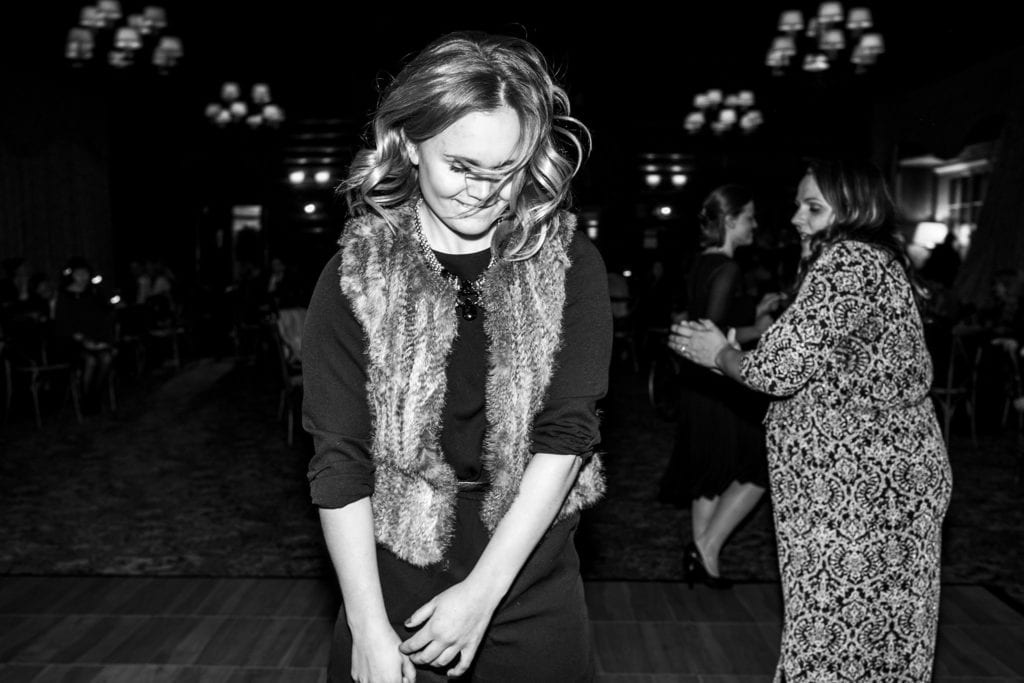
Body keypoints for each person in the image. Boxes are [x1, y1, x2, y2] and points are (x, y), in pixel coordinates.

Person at [302, 31, 611, 683]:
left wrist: (481, 595)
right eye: (461, 166)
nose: (482, 193)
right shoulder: (355, 274)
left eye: (505, 173)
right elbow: (338, 461)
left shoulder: (569, 264)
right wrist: (367, 625)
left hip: (529, 574)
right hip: (390, 581)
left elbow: (566, 440)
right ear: (410, 144)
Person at [672, 159, 952, 680]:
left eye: (813, 207)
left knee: (833, 628)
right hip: (875, 477)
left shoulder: (847, 261)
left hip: (861, 486)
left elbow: (777, 369)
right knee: (876, 631)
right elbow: (813, 354)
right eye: (800, 204)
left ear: (854, 211)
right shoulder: (876, 260)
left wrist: (718, 354)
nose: (798, 218)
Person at [657, 185, 784, 588]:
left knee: (709, 470)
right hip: (719, 385)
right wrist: (759, 327)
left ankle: (703, 557)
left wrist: (752, 313)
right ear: (730, 221)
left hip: (698, 387)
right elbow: (710, 330)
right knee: (756, 469)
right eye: (749, 217)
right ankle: (707, 547)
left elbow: (706, 318)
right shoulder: (728, 267)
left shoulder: (702, 262)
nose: (755, 225)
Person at [52, 257, 117, 414]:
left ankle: (95, 397)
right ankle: (85, 400)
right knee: (90, 361)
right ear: (72, 275)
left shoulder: (93, 294)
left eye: (85, 273)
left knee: (106, 358)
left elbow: (103, 317)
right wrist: (81, 339)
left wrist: (103, 340)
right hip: (72, 343)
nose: (83, 277)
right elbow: (62, 324)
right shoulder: (64, 295)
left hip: (94, 339)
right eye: (79, 274)